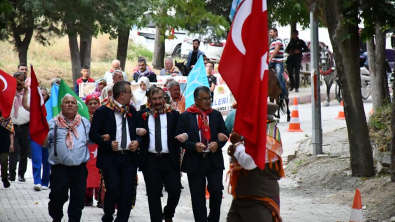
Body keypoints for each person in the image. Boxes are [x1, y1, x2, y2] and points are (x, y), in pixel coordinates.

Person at [89, 81, 141, 222]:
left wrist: (137, 141)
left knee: (127, 191)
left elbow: (139, 132)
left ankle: (122, 219)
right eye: (130, 92)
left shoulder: (132, 111)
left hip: (129, 157)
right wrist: (107, 143)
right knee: (113, 188)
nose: (131, 94)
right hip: (111, 158)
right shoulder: (103, 111)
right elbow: (93, 134)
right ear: (122, 94)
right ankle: (108, 215)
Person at [176, 86, 228, 222]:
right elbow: (179, 138)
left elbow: (224, 133)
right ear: (196, 100)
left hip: (213, 160)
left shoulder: (215, 114)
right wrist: (193, 146)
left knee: (216, 191)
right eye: (204, 99)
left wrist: (217, 143)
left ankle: (213, 218)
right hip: (195, 161)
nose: (208, 101)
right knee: (198, 196)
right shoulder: (186, 116)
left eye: (209, 98)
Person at [225, 102, 284, 222]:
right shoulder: (250, 135)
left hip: (260, 201)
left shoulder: (269, 137)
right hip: (242, 198)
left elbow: (249, 163)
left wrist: (237, 144)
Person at [137, 87, 182, 222]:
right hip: (150, 160)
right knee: (153, 194)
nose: (157, 102)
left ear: (165, 98)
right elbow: (134, 131)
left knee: (175, 190)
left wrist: (183, 136)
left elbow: (181, 130)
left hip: (169, 159)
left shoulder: (174, 114)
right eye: (154, 99)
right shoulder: (142, 114)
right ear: (149, 99)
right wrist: (137, 131)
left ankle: (168, 213)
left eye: (160, 98)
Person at [46, 94, 91, 222]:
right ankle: (56, 218)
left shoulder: (84, 123)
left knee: (78, 201)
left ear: (77, 106)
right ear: (61, 106)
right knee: (56, 199)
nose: (70, 104)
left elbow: (92, 140)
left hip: (79, 169)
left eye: (73, 102)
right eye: (67, 102)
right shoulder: (53, 123)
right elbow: (45, 143)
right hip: (60, 169)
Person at [21, 85, 51, 191]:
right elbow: (24, 105)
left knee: (47, 160)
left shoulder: (52, 106)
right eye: (40, 95)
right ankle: (37, 181)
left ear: (47, 95)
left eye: (43, 95)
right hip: (35, 135)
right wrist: (25, 91)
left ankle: (45, 182)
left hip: (48, 136)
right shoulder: (35, 106)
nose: (41, 97)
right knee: (37, 158)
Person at [9, 72, 30, 182]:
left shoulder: (29, 93)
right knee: (13, 149)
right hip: (12, 126)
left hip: (26, 125)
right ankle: (11, 173)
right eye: (17, 80)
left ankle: (21, 174)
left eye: (21, 80)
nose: (19, 83)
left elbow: (32, 108)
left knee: (24, 151)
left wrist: (25, 92)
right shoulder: (9, 93)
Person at [84, 95, 101, 206]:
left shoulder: (103, 117)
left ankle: (100, 198)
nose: (93, 105)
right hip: (87, 150)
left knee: (99, 173)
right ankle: (87, 198)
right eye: (90, 103)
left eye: (95, 103)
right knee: (88, 173)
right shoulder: (82, 118)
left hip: (100, 149)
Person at [269, 28, 287, 99]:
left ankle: (284, 93)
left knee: (279, 76)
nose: (270, 34)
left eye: (271, 32)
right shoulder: (272, 42)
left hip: (278, 62)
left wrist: (270, 58)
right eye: (269, 32)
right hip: (272, 62)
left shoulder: (278, 39)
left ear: (275, 32)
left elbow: (277, 49)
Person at [0, 110, 14, 188]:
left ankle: (4, 178)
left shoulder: (7, 120)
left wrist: (12, 144)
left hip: (4, 144)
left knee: (4, 161)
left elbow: (11, 132)